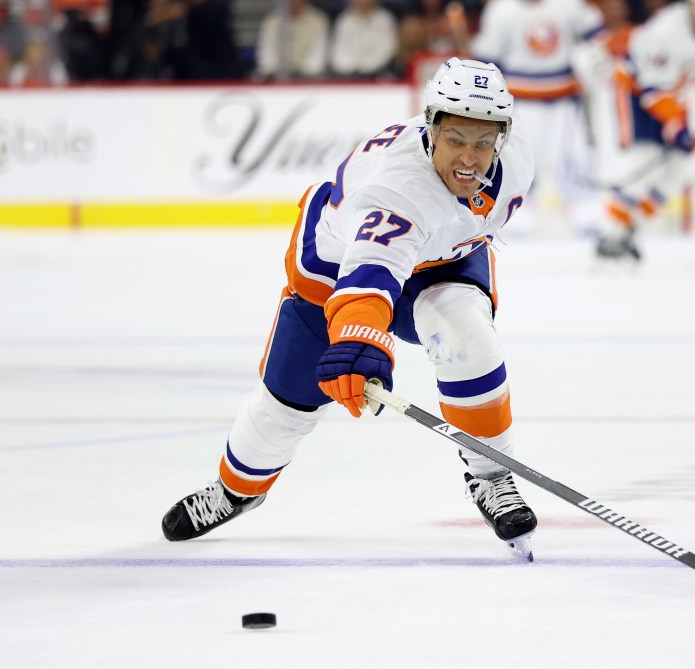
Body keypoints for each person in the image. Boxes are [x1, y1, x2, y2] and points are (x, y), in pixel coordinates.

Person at [161, 57, 539, 559]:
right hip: (340, 267)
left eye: (482, 141)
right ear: (430, 130)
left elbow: (466, 224)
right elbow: (369, 276)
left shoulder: (517, 163)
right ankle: (237, 490)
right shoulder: (395, 190)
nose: (469, 159)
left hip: (441, 263)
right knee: (281, 411)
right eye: (455, 140)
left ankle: (492, 475)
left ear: (502, 137)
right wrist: (361, 339)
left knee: (468, 338)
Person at [574, 0, 695, 262]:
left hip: (673, 97)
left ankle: (632, 225)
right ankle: (610, 233)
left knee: (686, 162)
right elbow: (653, 90)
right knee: (641, 162)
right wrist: (676, 127)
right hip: (636, 92)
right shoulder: (664, 30)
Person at [470, 0, 603, 234]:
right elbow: (487, 58)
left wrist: (591, 61)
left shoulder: (569, 4)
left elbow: (597, 35)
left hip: (564, 97)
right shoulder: (501, 10)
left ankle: (584, 211)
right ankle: (516, 212)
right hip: (520, 98)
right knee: (520, 158)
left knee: (572, 157)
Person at [255, 0, 330, 80]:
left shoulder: (318, 20)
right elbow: (267, 56)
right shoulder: (272, 21)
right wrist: (273, 73)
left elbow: (317, 58)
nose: (292, 2)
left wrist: (303, 75)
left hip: (309, 78)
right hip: (276, 77)